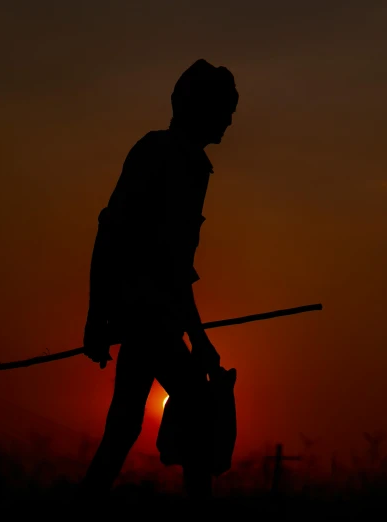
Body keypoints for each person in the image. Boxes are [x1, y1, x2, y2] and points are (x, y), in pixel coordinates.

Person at [79, 59, 239, 500]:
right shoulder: (160, 155)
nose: (228, 120)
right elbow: (112, 233)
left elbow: (175, 267)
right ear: (198, 108)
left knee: (126, 424)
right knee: (197, 409)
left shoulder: (193, 166)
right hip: (145, 316)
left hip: (156, 318)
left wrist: (198, 337)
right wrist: (97, 316)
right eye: (223, 109)